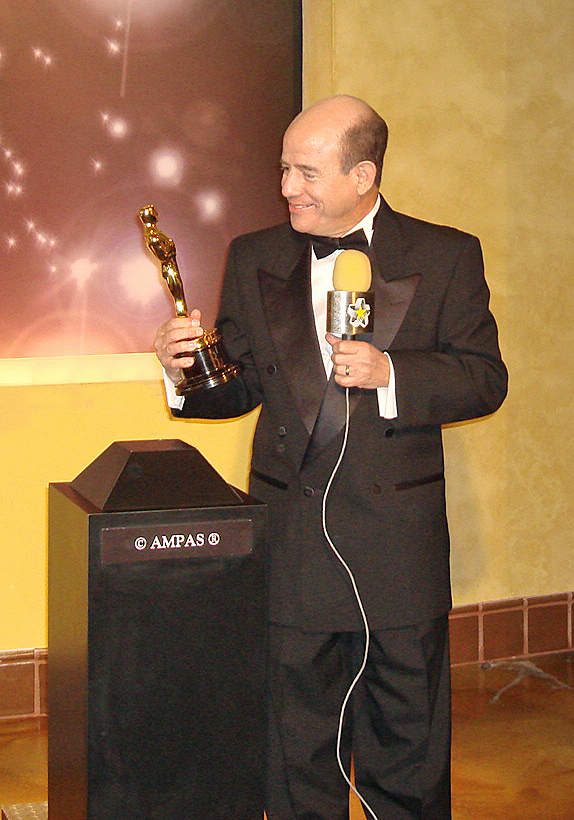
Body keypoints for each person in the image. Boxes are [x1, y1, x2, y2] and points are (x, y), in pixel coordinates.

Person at [154, 95, 507, 820]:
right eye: (284, 169)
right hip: (291, 548)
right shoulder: (254, 255)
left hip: (397, 553)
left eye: (306, 172)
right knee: (295, 752)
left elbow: (484, 379)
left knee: (407, 749)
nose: (287, 187)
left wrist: (392, 374)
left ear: (363, 175)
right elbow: (238, 387)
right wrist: (183, 368)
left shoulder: (446, 255)